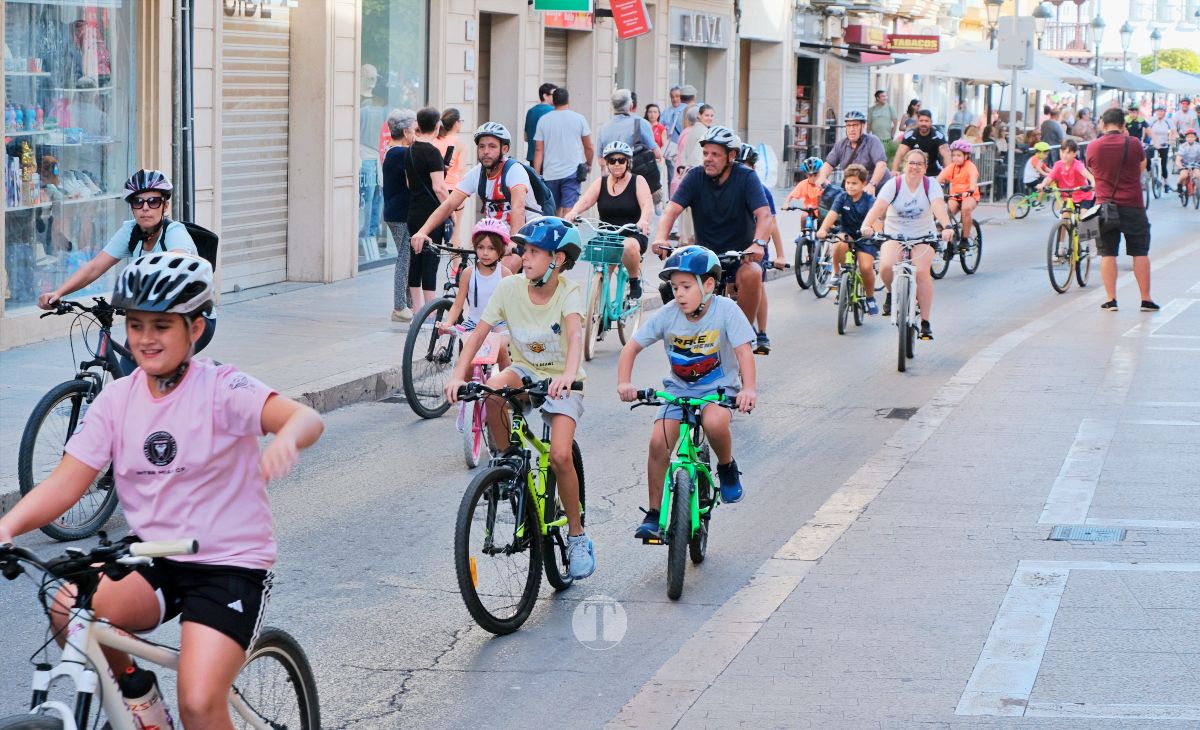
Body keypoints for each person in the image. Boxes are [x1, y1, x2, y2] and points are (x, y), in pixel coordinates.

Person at [0, 252, 325, 729]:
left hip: (228, 564)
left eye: (162, 325)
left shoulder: (221, 387)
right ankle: (141, 701)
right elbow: (67, 482)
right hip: (152, 554)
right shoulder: (116, 399)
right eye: (136, 325)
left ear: (195, 328)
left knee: (199, 702)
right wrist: (7, 527)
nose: (146, 338)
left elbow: (305, 418)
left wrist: (288, 439)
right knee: (68, 605)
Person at [444, 217, 594, 579]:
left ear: (557, 259)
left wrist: (568, 375)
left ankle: (577, 537)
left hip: (562, 381)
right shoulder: (509, 288)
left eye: (533, 251)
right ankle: (508, 464)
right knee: (492, 390)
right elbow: (479, 334)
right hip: (524, 370)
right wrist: (458, 375)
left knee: (560, 455)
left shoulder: (569, 292)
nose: (523, 257)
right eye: (523, 250)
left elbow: (575, 336)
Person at [616, 245, 757, 538]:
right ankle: (654, 514)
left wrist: (748, 389)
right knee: (658, 443)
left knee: (714, 423)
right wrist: (624, 382)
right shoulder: (668, 314)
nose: (679, 294)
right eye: (675, 287)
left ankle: (726, 466)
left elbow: (744, 352)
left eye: (686, 286)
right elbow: (631, 347)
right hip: (678, 390)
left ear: (709, 285)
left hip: (718, 389)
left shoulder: (726, 310)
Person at [37, 170, 216, 363]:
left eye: (153, 201)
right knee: (128, 371)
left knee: (155, 366)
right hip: (153, 319)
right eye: (138, 202)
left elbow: (176, 266)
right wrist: (59, 293)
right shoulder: (130, 231)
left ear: (165, 205)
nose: (145, 208)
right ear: (132, 207)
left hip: (192, 319)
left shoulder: (174, 233)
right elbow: (95, 267)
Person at [652, 126, 773, 327]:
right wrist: (660, 237)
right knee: (674, 283)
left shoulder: (746, 177)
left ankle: (743, 333)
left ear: (731, 156)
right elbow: (671, 210)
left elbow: (764, 215)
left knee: (752, 272)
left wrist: (758, 243)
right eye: (705, 153)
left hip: (741, 256)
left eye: (715, 154)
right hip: (705, 256)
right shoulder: (694, 176)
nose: (708, 158)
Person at [858, 148, 955, 341]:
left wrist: (947, 226)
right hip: (894, 234)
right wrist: (866, 225)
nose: (915, 167)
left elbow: (938, 206)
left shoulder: (931, 185)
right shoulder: (894, 184)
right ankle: (891, 292)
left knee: (921, 272)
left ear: (925, 167)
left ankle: (925, 322)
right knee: (886, 267)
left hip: (922, 236)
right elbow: (879, 207)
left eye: (919, 164)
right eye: (911, 163)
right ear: (904, 165)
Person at [410, 122, 529, 275]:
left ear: (504, 149)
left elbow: (518, 207)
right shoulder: (477, 174)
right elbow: (449, 204)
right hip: (496, 235)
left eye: (492, 146)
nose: (486, 151)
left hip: (524, 233)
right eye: (482, 146)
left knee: (500, 274)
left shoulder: (514, 171)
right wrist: (422, 232)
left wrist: (514, 241)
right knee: (471, 278)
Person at [565, 141, 653, 299]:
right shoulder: (601, 182)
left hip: (632, 233)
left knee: (628, 246)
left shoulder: (638, 181)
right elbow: (585, 201)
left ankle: (634, 281)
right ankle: (600, 305)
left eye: (621, 160)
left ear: (628, 162)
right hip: (607, 235)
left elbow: (647, 204)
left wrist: (643, 220)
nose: (617, 164)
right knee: (602, 265)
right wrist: (573, 212)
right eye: (612, 160)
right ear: (607, 163)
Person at [1090, 107, 1156, 312]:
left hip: (1105, 207)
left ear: (1103, 124)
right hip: (1133, 206)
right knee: (1140, 252)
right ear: (1123, 125)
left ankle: (1111, 300)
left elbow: (1093, 169)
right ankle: (1145, 300)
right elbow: (1141, 166)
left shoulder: (1093, 146)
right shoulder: (1133, 143)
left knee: (1108, 253)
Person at [437, 219, 513, 371]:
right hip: (473, 322)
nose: (485, 253)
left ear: (500, 250)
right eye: (480, 247)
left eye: (491, 248)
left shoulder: (505, 274)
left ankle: (508, 383)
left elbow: (512, 308)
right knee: (467, 361)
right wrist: (448, 323)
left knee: (502, 349)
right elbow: (458, 305)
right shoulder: (468, 273)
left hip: (498, 324)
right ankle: (463, 383)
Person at [738, 143, 788, 355]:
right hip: (733, 245)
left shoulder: (761, 191)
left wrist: (781, 254)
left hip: (756, 245)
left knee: (757, 284)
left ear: (753, 167)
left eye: (745, 166)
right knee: (728, 286)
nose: (741, 170)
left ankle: (762, 333)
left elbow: (771, 224)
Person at [816, 163, 880, 314]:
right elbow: (832, 214)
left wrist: (877, 232)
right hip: (847, 232)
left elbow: (876, 220)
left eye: (854, 183)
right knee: (839, 241)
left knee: (866, 268)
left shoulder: (869, 200)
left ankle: (870, 298)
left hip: (865, 238)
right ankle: (837, 273)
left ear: (864, 184)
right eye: (848, 182)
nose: (850, 186)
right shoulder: (842, 197)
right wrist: (823, 229)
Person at [405, 106, 449, 313]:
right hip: (432, 214)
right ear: (437, 125)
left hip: (413, 212)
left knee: (416, 260)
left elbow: (408, 183)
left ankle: (417, 310)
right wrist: (451, 208)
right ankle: (430, 312)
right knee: (430, 261)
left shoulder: (410, 150)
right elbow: (439, 188)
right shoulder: (433, 152)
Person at [532, 87, 593, 217]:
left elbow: (538, 150)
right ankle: (568, 230)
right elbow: (588, 146)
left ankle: (555, 230)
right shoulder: (579, 118)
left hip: (550, 173)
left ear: (553, 101)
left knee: (552, 211)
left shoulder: (543, 120)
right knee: (569, 211)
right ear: (568, 100)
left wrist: (536, 175)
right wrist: (589, 163)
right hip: (572, 173)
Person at [382, 108, 416, 321]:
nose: (415, 135)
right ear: (405, 131)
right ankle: (399, 306)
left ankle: (408, 303)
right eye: (414, 130)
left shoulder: (392, 151)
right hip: (400, 213)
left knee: (408, 257)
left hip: (395, 211)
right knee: (405, 258)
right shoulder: (401, 153)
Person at [815, 110, 891, 195]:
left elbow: (881, 164)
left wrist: (872, 184)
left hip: (878, 188)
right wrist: (823, 177)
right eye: (848, 125)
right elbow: (828, 164)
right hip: (855, 189)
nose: (851, 129)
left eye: (855, 125)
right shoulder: (841, 144)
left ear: (863, 126)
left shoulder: (872, 141)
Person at [598, 89, 659, 174]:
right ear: (631, 106)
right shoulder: (640, 123)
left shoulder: (604, 128)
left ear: (612, 107)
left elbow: (601, 161)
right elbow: (656, 154)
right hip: (635, 177)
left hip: (612, 177)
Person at [433, 108, 467, 247]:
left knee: (434, 229)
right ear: (456, 123)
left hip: (437, 189)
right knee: (455, 232)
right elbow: (462, 170)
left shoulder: (435, 141)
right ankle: (456, 261)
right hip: (454, 190)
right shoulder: (459, 143)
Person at [937, 140, 980, 246]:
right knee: (946, 212)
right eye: (954, 155)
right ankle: (950, 235)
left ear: (966, 156)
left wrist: (970, 190)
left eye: (959, 155)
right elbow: (939, 179)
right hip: (955, 196)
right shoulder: (952, 167)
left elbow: (973, 179)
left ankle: (965, 239)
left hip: (970, 195)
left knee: (966, 209)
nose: (956, 158)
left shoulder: (970, 166)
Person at [1038, 138, 1095, 209]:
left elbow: (1089, 176)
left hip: (1083, 196)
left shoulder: (1078, 165)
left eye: (1068, 153)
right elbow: (1049, 178)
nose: (1064, 155)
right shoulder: (1058, 165)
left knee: (1083, 214)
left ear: (1074, 154)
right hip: (1068, 198)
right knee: (1065, 215)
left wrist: (1093, 184)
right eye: (1062, 152)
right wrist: (1043, 185)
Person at [894, 110, 950, 177]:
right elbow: (899, 154)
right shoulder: (910, 135)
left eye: (926, 121)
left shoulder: (938, 136)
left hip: (933, 172)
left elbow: (946, 155)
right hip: (914, 170)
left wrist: (948, 174)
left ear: (931, 122)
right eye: (921, 121)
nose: (924, 123)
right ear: (917, 121)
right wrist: (894, 170)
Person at [785, 156, 825, 230]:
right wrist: (786, 204)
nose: (813, 178)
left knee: (823, 228)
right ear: (806, 175)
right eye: (810, 175)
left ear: (821, 172)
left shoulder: (825, 183)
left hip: (822, 210)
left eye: (815, 175)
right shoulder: (803, 184)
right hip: (809, 210)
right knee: (804, 217)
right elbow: (791, 195)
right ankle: (803, 233)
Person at [523, 82, 556, 164]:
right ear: (545, 96)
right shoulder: (553, 111)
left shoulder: (530, 111)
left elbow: (526, 137)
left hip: (532, 157)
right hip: (549, 158)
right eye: (554, 95)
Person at [1147, 106, 1174, 183]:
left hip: (1164, 144)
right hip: (1153, 144)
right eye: (1158, 111)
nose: (1159, 113)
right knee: (1148, 160)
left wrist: (1171, 140)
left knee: (1163, 165)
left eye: (1161, 111)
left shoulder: (1168, 121)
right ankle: (1150, 175)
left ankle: (1166, 183)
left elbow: (1173, 132)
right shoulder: (1152, 120)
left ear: (1164, 112)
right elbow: (1146, 130)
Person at [1175, 128, 1200, 194]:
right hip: (1185, 164)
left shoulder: (1198, 146)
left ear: (1195, 138)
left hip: (1196, 164)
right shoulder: (1183, 146)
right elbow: (1178, 159)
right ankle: (1179, 185)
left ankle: (1197, 190)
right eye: (1188, 137)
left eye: (1192, 137)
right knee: (1183, 175)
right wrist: (1180, 166)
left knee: (1198, 175)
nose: (1190, 138)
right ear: (1186, 138)